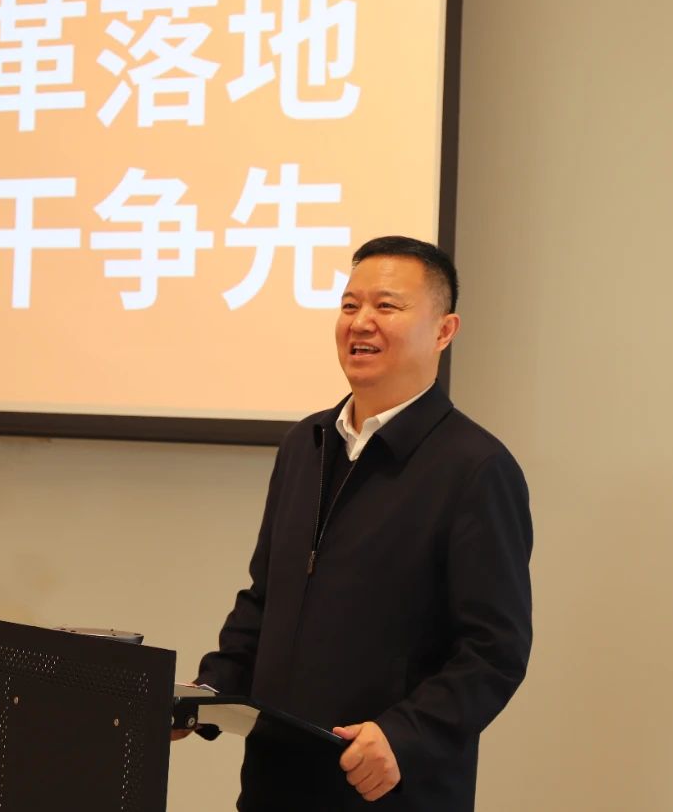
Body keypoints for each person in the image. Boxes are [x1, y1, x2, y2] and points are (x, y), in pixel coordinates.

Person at [183, 236, 533, 811]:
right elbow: (265, 600)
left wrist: (404, 734)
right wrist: (208, 691)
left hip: (388, 790)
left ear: (444, 331)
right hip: (273, 786)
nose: (360, 322)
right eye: (350, 305)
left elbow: (494, 651)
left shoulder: (476, 468)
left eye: (386, 306)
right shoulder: (306, 443)